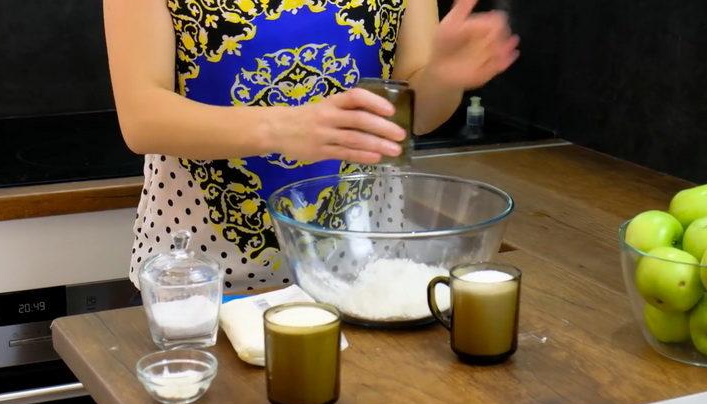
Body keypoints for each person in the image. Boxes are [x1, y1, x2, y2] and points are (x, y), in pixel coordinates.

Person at [104, 0, 520, 292]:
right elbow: (142, 118)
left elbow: (413, 116)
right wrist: (286, 127)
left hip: (365, 269)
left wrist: (445, 76)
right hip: (202, 277)